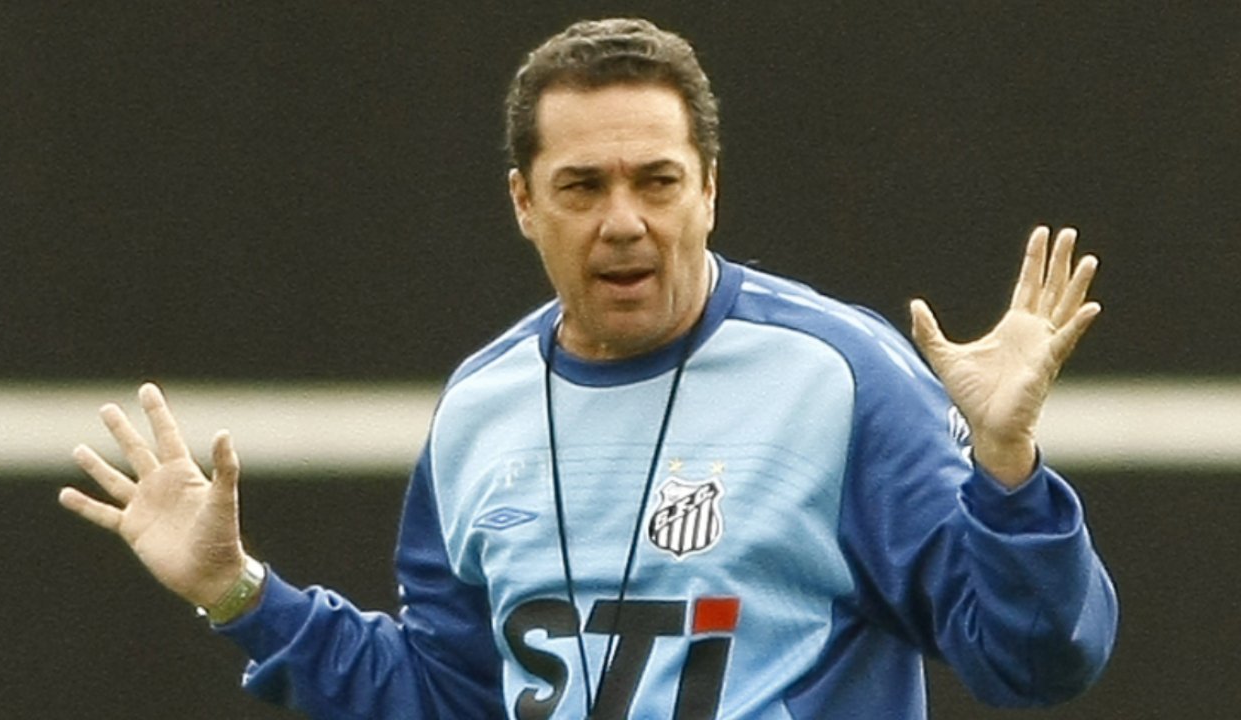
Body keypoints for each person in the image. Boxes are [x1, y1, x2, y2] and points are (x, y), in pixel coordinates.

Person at [60, 17, 1118, 720]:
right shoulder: (480, 409)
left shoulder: (838, 380)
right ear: (523, 203)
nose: (624, 222)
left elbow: (1035, 662)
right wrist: (238, 594)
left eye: (657, 181)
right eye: (582, 186)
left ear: (708, 190)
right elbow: (448, 695)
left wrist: (1008, 467)